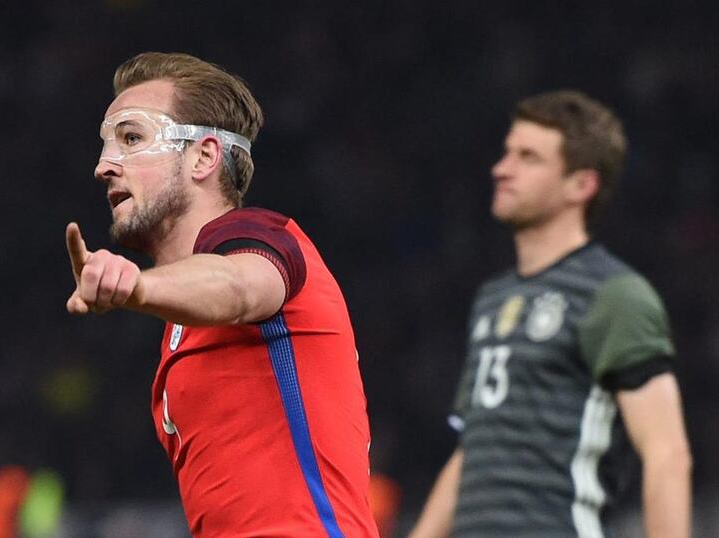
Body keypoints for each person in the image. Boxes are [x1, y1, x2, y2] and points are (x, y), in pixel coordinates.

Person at [65, 52, 379, 537]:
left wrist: (136, 285)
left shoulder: (261, 235)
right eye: (108, 145)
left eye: (132, 138)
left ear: (204, 157)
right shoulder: (178, 322)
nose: (104, 165)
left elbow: (238, 285)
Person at [409, 90, 691, 537]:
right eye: (506, 153)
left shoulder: (614, 295)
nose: (502, 169)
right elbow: (478, 444)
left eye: (529, 157)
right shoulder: (493, 298)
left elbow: (666, 452)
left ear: (581, 185)